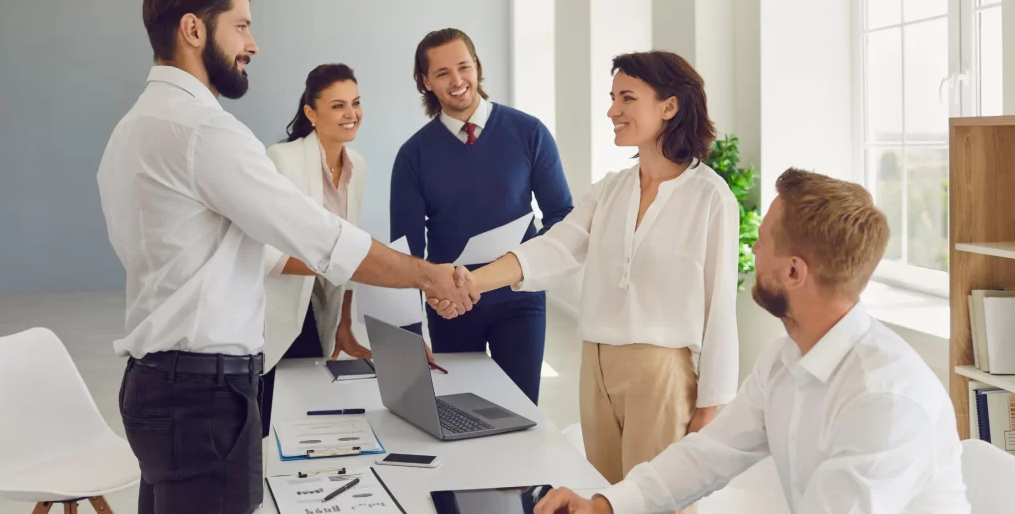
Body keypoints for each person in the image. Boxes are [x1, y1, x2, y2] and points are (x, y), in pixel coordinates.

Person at [97, 0, 477, 514]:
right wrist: (428, 275)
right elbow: (321, 239)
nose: (253, 43)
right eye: (241, 26)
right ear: (194, 30)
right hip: (203, 395)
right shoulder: (206, 132)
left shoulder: (131, 129)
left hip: (155, 385)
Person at [530, 168, 972, 514]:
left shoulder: (885, 400)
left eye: (762, 242)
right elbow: (708, 455)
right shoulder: (785, 359)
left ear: (795, 272)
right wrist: (605, 504)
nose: (754, 252)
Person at [432, 51, 740, 510]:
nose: (612, 110)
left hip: (661, 374)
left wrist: (710, 407)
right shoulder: (613, 188)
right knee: (604, 499)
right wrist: (472, 282)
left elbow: (720, 310)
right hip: (596, 366)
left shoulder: (710, 196)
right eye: (612, 97)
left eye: (627, 98)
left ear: (670, 106)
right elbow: (554, 247)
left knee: (657, 504)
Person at [390, 28, 574, 405]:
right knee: (461, 411)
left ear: (478, 67)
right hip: (451, 307)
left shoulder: (529, 133)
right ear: (425, 82)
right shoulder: (413, 156)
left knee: (521, 412)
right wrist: (409, 333)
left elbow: (561, 218)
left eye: (464, 67)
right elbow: (406, 253)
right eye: (442, 73)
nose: (457, 81)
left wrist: (532, 270)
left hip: (520, 301)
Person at [257, 63, 438, 439]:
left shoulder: (358, 165)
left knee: (306, 406)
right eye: (338, 105)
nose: (351, 114)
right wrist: (342, 267)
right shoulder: (281, 159)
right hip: (281, 305)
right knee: (275, 409)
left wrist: (343, 323)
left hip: (322, 305)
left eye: (355, 103)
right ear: (311, 112)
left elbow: (349, 240)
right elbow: (267, 254)